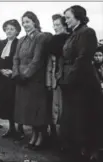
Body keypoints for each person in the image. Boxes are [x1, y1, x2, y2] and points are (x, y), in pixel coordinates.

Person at [59, 5, 102, 160]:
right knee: (73, 117)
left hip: (83, 82)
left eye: (68, 17)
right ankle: (75, 148)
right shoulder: (73, 34)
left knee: (83, 116)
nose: (66, 21)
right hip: (72, 79)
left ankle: (87, 150)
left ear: (78, 17)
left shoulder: (87, 32)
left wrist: (68, 79)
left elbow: (83, 58)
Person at [12, 11, 52, 150]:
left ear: (34, 22)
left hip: (35, 79)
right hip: (21, 79)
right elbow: (16, 58)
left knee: (37, 110)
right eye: (23, 22)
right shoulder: (22, 39)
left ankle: (41, 137)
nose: (25, 25)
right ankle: (34, 135)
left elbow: (37, 59)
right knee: (27, 110)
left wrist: (26, 75)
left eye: (28, 22)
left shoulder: (40, 37)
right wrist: (16, 74)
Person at [0, 19, 24, 140]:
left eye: (12, 29)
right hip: (2, 78)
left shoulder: (20, 43)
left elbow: (21, 60)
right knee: (6, 103)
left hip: (14, 78)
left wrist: (12, 71)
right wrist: (0, 70)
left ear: (17, 31)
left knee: (17, 102)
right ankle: (11, 128)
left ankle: (20, 128)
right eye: (7, 28)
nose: (9, 31)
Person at [46, 14, 70, 145]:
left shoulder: (70, 39)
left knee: (65, 110)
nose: (55, 28)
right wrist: (49, 81)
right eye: (54, 25)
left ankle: (65, 139)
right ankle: (56, 137)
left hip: (67, 79)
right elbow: (50, 63)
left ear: (64, 25)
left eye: (58, 25)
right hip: (55, 79)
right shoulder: (54, 40)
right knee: (55, 109)